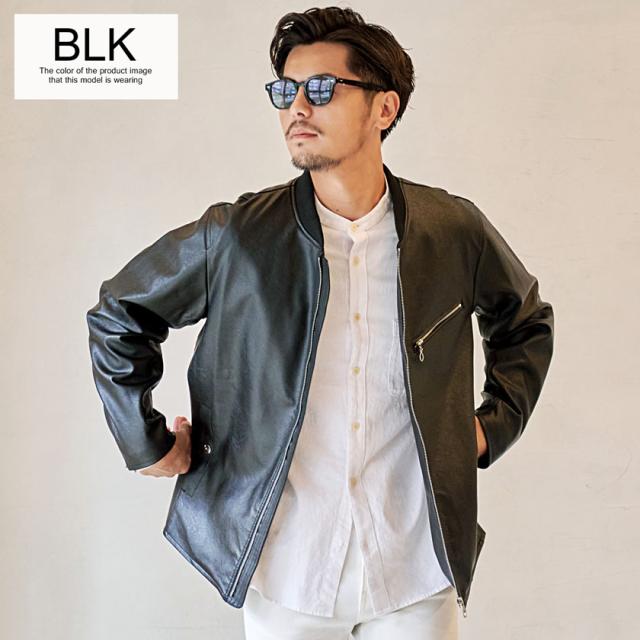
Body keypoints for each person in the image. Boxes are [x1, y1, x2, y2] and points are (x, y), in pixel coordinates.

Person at [86, 6, 554, 639]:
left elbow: (525, 322)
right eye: (285, 91)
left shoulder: (451, 231)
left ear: (384, 108)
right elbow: (121, 312)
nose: (297, 107)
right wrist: (146, 442)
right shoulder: (239, 238)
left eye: (322, 88)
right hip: (287, 569)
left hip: (415, 568)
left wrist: (488, 429)